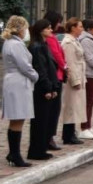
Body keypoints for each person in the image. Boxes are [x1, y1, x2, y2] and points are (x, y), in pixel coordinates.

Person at [1, 16, 39, 167]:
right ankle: (15, 154)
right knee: (18, 117)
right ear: (20, 28)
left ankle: (13, 153)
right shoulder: (15, 44)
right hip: (18, 81)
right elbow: (24, 65)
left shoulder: (10, 42)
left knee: (17, 118)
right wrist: (35, 76)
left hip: (15, 81)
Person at [27, 19, 60, 160]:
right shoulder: (36, 47)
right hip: (40, 88)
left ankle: (41, 148)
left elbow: (50, 67)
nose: (51, 30)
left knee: (45, 120)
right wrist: (47, 87)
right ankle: (36, 151)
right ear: (41, 30)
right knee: (40, 121)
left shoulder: (43, 45)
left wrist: (53, 86)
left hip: (48, 86)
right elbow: (41, 69)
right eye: (48, 28)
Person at [43, 10, 67, 151]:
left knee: (54, 109)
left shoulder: (50, 37)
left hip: (56, 75)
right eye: (58, 21)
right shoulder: (50, 38)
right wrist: (65, 67)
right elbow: (57, 55)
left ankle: (49, 136)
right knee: (53, 110)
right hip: (55, 76)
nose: (59, 24)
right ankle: (49, 137)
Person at [61, 18, 86, 144]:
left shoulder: (75, 41)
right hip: (72, 79)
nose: (82, 29)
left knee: (75, 106)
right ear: (73, 28)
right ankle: (68, 135)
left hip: (78, 76)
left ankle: (71, 133)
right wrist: (75, 80)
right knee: (71, 107)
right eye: (80, 26)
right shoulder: (68, 43)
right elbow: (70, 63)